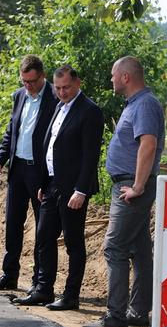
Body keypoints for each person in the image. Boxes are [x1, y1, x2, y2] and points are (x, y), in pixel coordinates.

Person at [83, 56, 164, 327]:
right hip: (129, 183)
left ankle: (115, 316)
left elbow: (148, 145)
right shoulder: (135, 105)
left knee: (114, 247)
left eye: (113, 75)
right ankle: (139, 311)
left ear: (126, 77)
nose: (111, 79)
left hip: (132, 186)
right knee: (139, 249)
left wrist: (138, 186)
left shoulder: (145, 105)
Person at [13, 65, 103, 311]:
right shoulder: (59, 107)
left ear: (78, 83)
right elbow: (49, 145)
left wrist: (82, 190)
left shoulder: (90, 111)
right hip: (52, 185)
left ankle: (71, 295)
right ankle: (43, 289)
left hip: (74, 189)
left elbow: (90, 155)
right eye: (59, 88)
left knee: (74, 243)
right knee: (43, 237)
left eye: (67, 88)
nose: (62, 92)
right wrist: (43, 182)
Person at [0, 55, 59, 291]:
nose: (28, 86)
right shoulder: (19, 96)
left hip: (40, 173)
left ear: (43, 76)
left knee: (43, 229)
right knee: (13, 225)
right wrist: (0, 159)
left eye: (32, 81)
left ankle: (39, 282)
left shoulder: (55, 98)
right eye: (24, 81)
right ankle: (9, 275)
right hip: (17, 169)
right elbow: (12, 131)